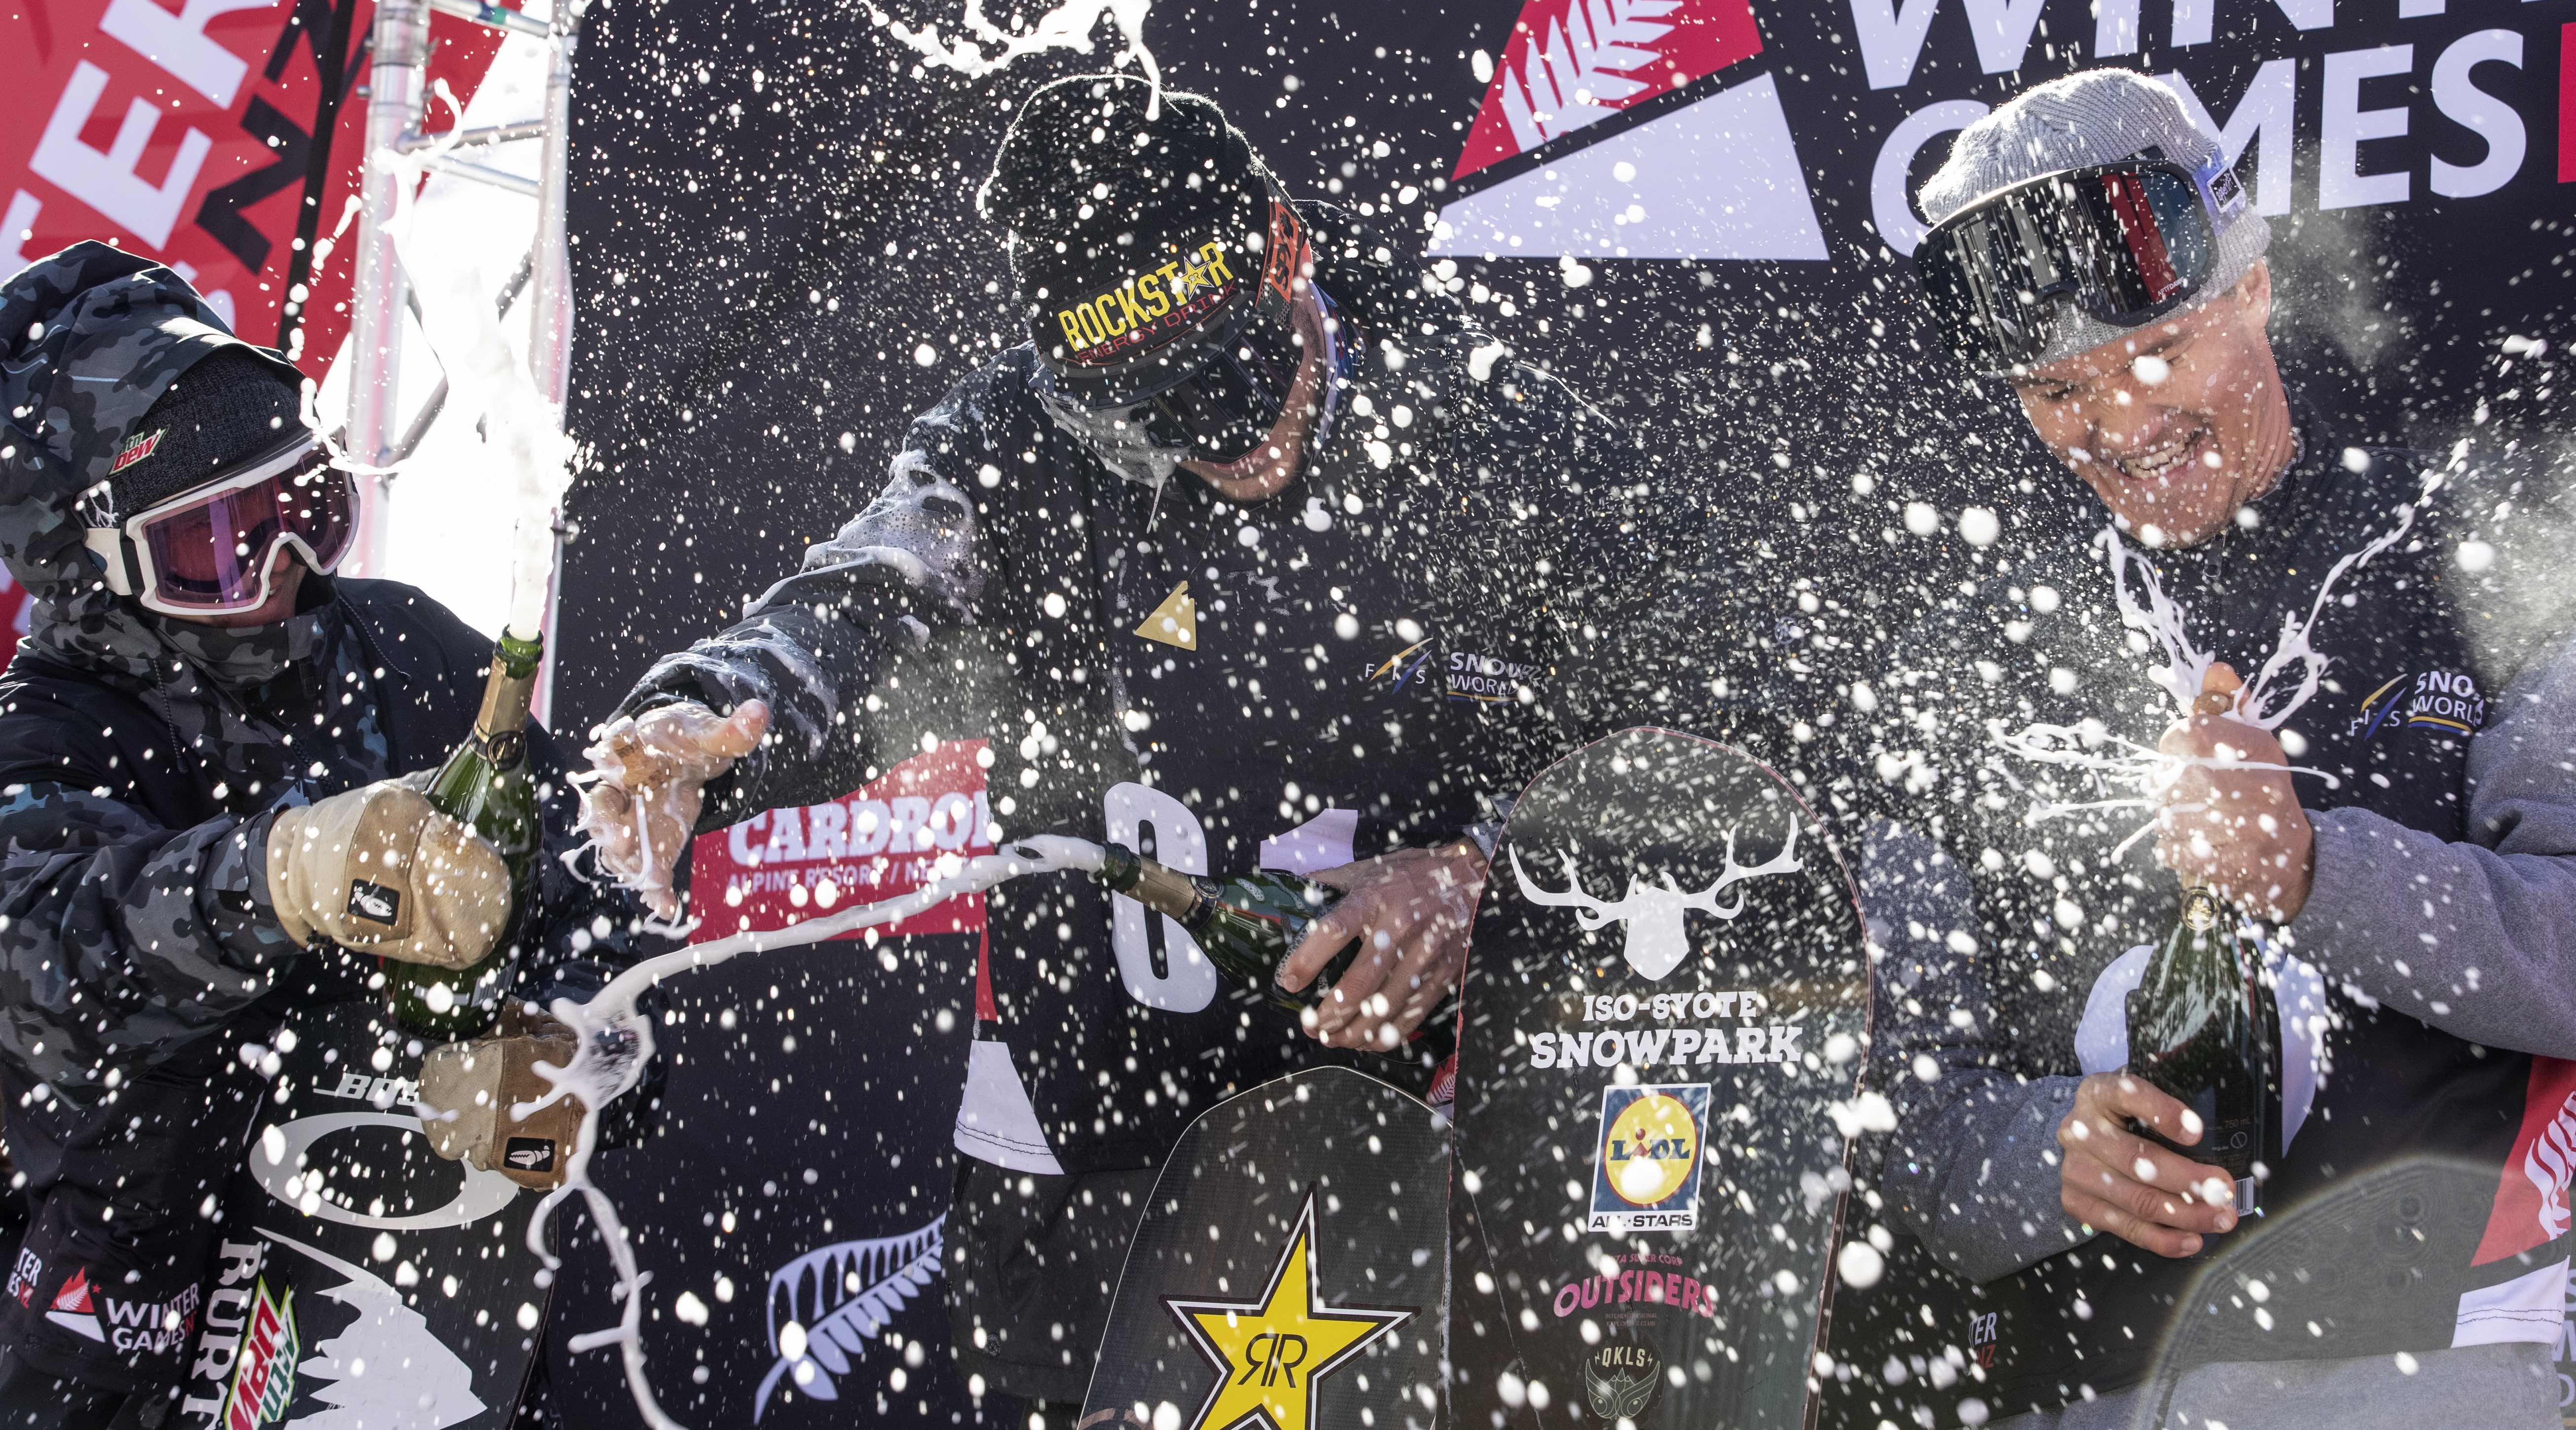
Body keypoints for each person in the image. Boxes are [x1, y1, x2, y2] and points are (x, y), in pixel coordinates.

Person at [577, 74, 1697, 1422]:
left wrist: (1488, 870)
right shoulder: (1014, 436)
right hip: (1094, 1137)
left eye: (1237, 379)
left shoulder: (1483, 429)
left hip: (1415, 1127)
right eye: (1154, 410)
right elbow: (864, 588)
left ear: (1286, 246)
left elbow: (1705, 718)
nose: (1234, 445)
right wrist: (715, 703)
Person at [1843, 68, 2576, 1429]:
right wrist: (2042, 1155)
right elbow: (1894, 1136)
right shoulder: (1972, 647)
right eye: (2057, 388)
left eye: (2155, 353)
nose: (2117, 427)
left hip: (2438, 1362)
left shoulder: (2488, 551)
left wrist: (2310, 871)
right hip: (2086, 1387)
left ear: (2248, 286)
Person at [0, 243, 645, 1428]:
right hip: (130, 1329)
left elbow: (604, 890)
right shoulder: (54, 727)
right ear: (99, 569)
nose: (283, 569)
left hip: (422, 1319)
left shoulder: (407, 651)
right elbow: (36, 962)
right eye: (218, 542)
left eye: (304, 508)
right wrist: (278, 874)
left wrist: (568, 1041)